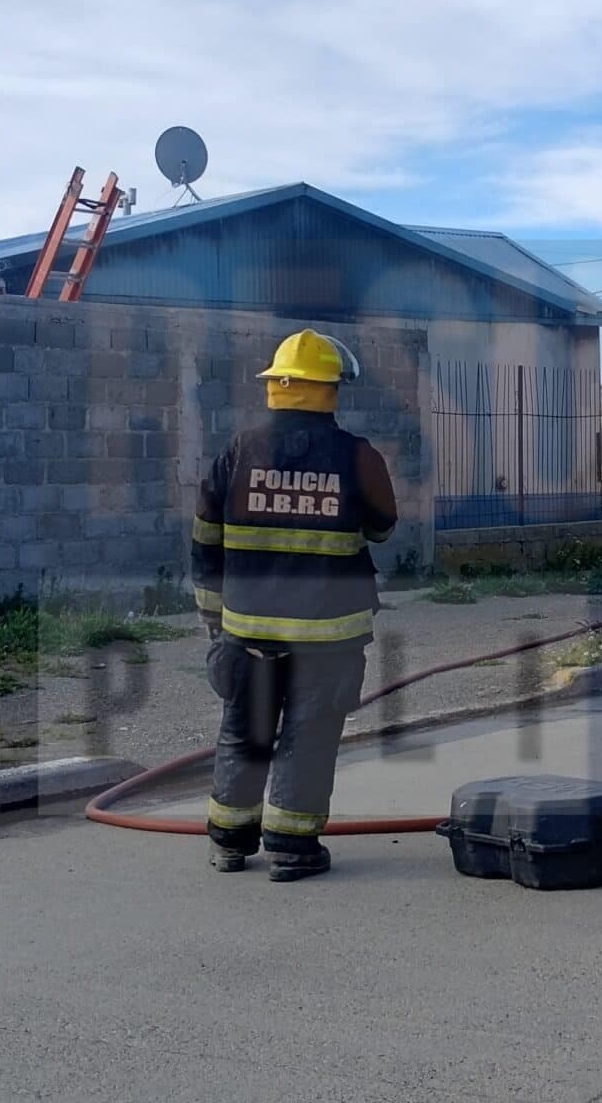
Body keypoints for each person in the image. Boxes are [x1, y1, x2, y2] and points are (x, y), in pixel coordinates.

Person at [192, 329, 398, 881]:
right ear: (331, 389)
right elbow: (382, 528)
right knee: (308, 736)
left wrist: (212, 615)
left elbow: (205, 535)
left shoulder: (239, 450)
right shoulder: (357, 455)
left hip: (247, 631)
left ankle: (229, 842)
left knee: (244, 731)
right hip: (328, 636)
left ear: (275, 386)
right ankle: (291, 846)